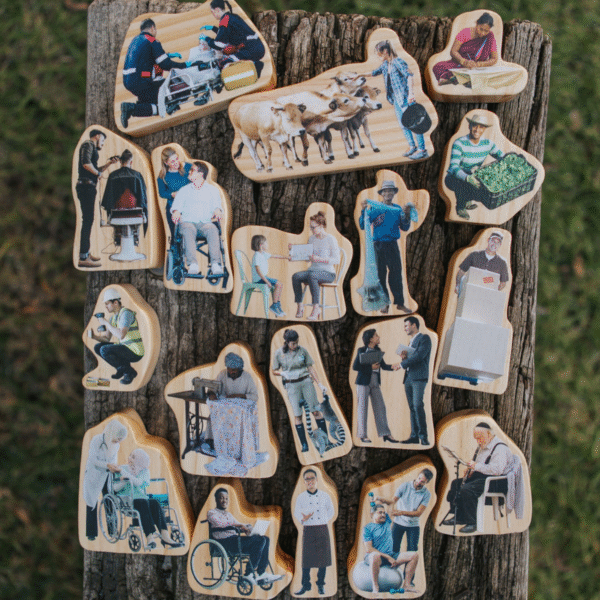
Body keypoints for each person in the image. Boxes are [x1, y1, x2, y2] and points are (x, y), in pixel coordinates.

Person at [441, 422, 512, 534]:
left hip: (496, 482)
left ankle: (472, 522)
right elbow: (481, 466)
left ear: (489, 434)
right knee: (456, 484)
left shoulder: (500, 448)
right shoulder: (483, 446)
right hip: (483, 478)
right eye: (476, 438)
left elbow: (497, 470)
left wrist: (476, 466)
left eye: (480, 438)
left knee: (467, 489)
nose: (478, 441)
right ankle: (459, 517)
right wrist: (472, 471)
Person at [271, 329, 330, 453]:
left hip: (305, 382)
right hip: (292, 385)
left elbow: (310, 368)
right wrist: (282, 373)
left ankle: (326, 439)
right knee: (298, 415)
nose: (295, 345)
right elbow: (274, 370)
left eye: (297, 342)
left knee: (315, 411)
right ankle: (304, 444)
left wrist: (319, 384)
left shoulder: (302, 350)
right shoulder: (279, 353)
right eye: (293, 343)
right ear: (287, 342)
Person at [120, 18, 187, 129]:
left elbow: (145, 58)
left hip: (128, 81)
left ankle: (131, 108)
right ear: (152, 28)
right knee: (166, 100)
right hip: (141, 80)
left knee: (149, 102)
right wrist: (184, 65)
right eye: (155, 30)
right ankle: (132, 108)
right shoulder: (152, 40)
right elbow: (165, 64)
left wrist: (168, 55)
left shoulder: (135, 40)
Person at [207, 488, 282, 585]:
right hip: (224, 542)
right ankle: (248, 573)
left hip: (234, 540)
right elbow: (219, 523)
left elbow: (237, 523)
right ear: (216, 499)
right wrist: (238, 525)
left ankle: (261, 572)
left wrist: (247, 527)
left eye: (226, 498)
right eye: (221, 498)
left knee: (265, 539)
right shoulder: (212, 513)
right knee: (259, 541)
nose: (224, 500)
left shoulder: (228, 514)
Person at [367, 40, 427, 160]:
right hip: (396, 99)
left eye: (379, 53)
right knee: (403, 124)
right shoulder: (385, 65)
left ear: (385, 51)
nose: (378, 56)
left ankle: (422, 149)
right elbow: (374, 72)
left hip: (405, 98)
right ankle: (412, 146)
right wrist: (359, 75)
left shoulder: (397, 62)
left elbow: (409, 76)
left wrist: (411, 94)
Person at [359, 180, 411, 314]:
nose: (388, 193)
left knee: (396, 274)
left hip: (392, 245)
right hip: (378, 246)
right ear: (382, 194)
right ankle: (384, 303)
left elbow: (405, 227)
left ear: (394, 193)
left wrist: (407, 215)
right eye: (385, 191)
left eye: (390, 191)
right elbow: (363, 225)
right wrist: (363, 210)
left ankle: (400, 303)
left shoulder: (398, 209)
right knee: (380, 275)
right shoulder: (375, 209)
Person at [112, 449, 181, 549]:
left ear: (140, 461)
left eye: (133, 457)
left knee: (154, 503)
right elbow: (114, 488)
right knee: (142, 502)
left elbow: (139, 483)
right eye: (130, 455)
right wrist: (124, 480)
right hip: (127, 500)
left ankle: (165, 536)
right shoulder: (121, 468)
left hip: (142, 499)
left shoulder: (144, 471)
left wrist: (126, 475)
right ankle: (150, 538)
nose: (129, 458)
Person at [444, 113, 504, 219]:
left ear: (484, 129)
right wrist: (467, 178)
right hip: (454, 178)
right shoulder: (459, 143)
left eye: (481, 127)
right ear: (469, 126)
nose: (477, 130)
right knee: (464, 182)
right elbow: (453, 167)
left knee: (484, 187)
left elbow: (502, 156)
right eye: (475, 126)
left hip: (474, 174)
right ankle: (460, 207)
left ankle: (467, 200)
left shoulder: (488, 143)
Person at [170, 161, 224, 276]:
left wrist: (218, 210)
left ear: (201, 174)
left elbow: (217, 206)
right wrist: (176, 212)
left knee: (212, 229)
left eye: (192, 170)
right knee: (189, 228)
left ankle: (215, 264)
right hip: (187, 222)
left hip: (204, 223)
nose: (189, 172)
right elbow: (176, 207)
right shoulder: (183, 190)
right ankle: (192, 264)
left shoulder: (212, 190)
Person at [75, 129, 119, 268]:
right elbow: (86, 164)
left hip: (88, 186)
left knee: (88, 221)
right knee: (87, 221)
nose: (103, 143)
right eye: (103, 140)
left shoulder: (91, 147)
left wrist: (108, 164)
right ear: (98, 135)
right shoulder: (88, 144)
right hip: (86, 187)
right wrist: (97, 173)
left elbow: (95, 170)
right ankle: (83, 257)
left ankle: (86, 253)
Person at [352, 328, 400, 444]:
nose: (378, 337)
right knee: (362, 408)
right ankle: (362, 435)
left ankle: (385, 434)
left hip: (375, 381)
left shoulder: (378, 350)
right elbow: (355, 366)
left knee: (380, 407)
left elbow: (383, 366)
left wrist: (393, 367)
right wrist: (370, 367)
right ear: (370, 339)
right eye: (376, 335)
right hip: (363, 382)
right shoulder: (361, 350)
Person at [82, 420, 127, 541]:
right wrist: (107, 465)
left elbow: (113, 460)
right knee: (92, 503)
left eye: (120, 440)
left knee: (110, 500)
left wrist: (115, 467)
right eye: (117, 438)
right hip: (94, 474)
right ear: (111, 433)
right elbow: (93, 460)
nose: (118, 442)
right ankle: (91, 533)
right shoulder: (97, 440)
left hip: (107, 475)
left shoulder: (116, 445)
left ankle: (113, 531)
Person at [291, 211, 341, 321]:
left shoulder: (331, 239)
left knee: (312, 276)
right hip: (313, 271)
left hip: (328, 273)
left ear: (321, 225)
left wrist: (319, 259)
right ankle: (300, 306)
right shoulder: (312, 239)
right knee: (296, 276)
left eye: (313, 227)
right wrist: (294, 254)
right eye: (311, 227)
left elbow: (337, 260)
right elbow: (308, 257)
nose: (312, 230)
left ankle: (316, 308)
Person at [293, 469, 336, 596]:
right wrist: (304, 519)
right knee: (306, 561)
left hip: (322, 528)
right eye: (307, 479)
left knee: (323, 560)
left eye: (312, 478)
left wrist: (323, 520)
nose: (310, 481)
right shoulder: (301, 497)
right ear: (304, 482)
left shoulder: (325, 495)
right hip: (308, 529)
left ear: (317, 480)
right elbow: (297, 513)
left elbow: (331, 511)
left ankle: (321, 585)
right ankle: (305, 585)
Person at [89, 288, 145, 385]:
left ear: (115, 302)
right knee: (98, 347)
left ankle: (129, 372)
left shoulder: (126, 314)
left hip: (135, 350)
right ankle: (122, 369)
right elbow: (107, 339)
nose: (106, 306)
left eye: (107, 303)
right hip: (125, 347)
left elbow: (121, 335)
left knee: (105, 350)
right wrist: (94, 336)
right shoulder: (113, 318)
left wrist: (106, 323)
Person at [362, 504, 420, 595]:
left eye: (384, 513)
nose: (383, 515)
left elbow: (391, 504)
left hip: (391, 555)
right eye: (380, 512)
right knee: (375, 556)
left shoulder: (387, 522)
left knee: (414, 555)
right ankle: (375, 586)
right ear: (372, 514)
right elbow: (369, 548)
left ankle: (407, 585)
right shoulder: (367, 528)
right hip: (376, 557)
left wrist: (381, 500)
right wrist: (388, 557)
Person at [376, 469, 433, 556]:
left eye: (422, 482)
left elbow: (418, 513)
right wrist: (383, 500)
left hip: (413, 525)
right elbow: (393, 501)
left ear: (427, 482)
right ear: (418, 475)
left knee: (412, 553)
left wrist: (401, 512)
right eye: (419, 478)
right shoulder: (405, 486)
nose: (419, 482)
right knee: (393, 548)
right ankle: (392, 563)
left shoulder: (426, 494)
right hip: (398, 523)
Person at [201, 0, 265, 76]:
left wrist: (206, 39)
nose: (213, 14)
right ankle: (254, 65)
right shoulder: (232, 16)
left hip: (250, 50)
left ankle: (255, 66)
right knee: (228, 56)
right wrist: (213, 28)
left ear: (217, 9)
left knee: (223, 63)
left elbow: (219, 44)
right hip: (257, 47)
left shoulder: (225, 20)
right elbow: (229, 34)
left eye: (213, 12)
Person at [433, 12, 499, 85]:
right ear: (477, 24)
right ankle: (461, 79)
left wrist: (479, 64)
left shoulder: (490, 37)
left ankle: (462, 79)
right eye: (481, 29)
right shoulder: (465, 32)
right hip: (460, 64)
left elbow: (494, 59)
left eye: (486, 31)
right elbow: (453, 51)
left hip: (477, 68)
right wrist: (464, 62)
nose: (483, 33)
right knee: (438, 67)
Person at [101, 149, 149, 242]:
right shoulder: (137, 175)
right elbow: (143, 195)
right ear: (131, 162)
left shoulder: (113, 175)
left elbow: (108, 197)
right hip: (135, 210)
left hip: (116, 211)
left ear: (120, 162)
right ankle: (134, 233)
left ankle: (118, 232)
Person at [398, 317, 432, 445]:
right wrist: (404, 359)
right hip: (408, 377)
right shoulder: (410, 342)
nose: (405, 328)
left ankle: (423, 437)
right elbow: (411, 360)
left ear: (414, 325)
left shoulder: (424, 338)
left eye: (406, 326)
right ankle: (414, 436)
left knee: (418, 405)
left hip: (418, 377)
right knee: (412, 407)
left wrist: (401, 364)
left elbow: (419, 356)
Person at [156, 147, 192, 238]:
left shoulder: (188, 167)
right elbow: (162, 193)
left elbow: (198, 181)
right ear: (166, 163)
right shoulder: (163, 176)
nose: (176, 162)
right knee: (175, 236)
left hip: (189, 206)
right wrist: (172, 194)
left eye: (176, 159)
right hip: (173, 206)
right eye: (172, 161)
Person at [251, 234, 289, 318]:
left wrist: (287, 257)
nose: (267, 244)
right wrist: (267, 281)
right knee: (278, 284)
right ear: (261, 245)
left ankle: (278, 305)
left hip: (263, 278)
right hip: (259, 279)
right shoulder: (257, 255)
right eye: (266, 243)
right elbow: (258, 271)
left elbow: (275, 256)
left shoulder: (263, 254)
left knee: (280, 284)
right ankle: (274, 305)